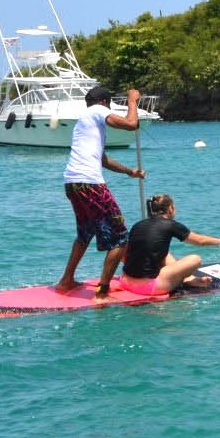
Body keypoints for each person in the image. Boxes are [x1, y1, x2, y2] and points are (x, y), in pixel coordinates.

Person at [55, 85, 144, 298]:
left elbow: (102, 159)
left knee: (85, 233)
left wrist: (129, 171)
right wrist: (132, 101)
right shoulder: (98, 110)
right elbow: (131, 124)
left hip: (73, 183)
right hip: (90, 184)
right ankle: (103, 291)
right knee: (121, 236)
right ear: (105, 102)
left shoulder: (84, 122)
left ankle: (66, 281)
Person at [119, 194, 220, 296]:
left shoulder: (137, 225)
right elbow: (200, 241)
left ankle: (189, 280)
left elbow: (125, 255)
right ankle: (186, 280)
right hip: (149, 287)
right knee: (195, 259)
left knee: (164, 253)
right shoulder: (170, 224)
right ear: (170, 209)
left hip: (125, 281)